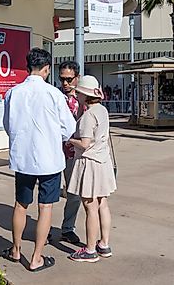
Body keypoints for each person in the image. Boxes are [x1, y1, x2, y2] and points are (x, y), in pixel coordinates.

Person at [2, 48, 76, 273]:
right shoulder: (54, 94)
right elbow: (69, 128)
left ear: (28, 68)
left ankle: (15, 250)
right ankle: (36, 257)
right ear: (46, 69)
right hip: (49, 160)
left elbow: (8, 125)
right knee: (45, 208)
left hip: (23, 158)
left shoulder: (13, 92)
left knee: (21, 204)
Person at [67, 75, 117, 263]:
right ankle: (103, 244)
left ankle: (89, 250)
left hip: (90, 163)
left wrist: (69, 139)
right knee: (102, 203)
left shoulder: (88, 116)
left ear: (84, 95)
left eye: (78, 92)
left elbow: (85, 143)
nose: (77, 95)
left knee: (90, 206)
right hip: (103, 161)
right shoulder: (102, 110)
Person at [55, 60, 85, 246]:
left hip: (74, 153)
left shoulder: (83, 98)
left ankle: (67, 228)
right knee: (47, 194)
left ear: (77, 78)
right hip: (53, 151)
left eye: (69, 79)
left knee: (74, 193)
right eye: (62, 79)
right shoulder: (54, 97)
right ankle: (44, 228)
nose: (65, 83)